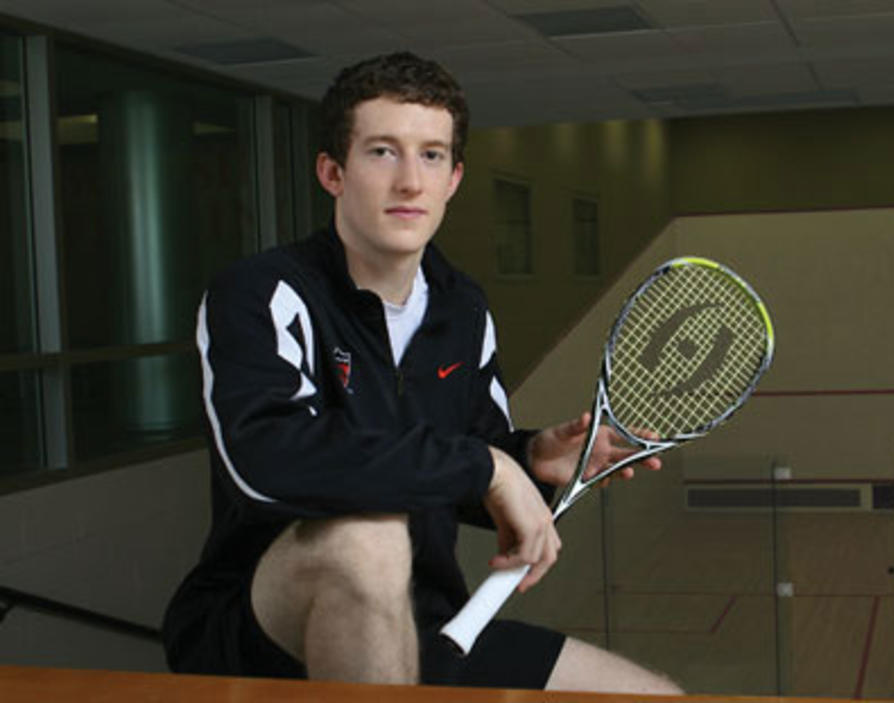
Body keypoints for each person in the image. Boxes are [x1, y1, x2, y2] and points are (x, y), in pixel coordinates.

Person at [162, 51, 682, 695]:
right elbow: (266, 463)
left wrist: (530, 458)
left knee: (657, 696)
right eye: (383, 152)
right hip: (260, 630)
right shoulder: (262, 291)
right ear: (333, 172)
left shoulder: (462, 305)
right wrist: (488, 469)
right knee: (367, 539)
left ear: (454, 178)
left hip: (428, 624)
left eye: (431, 156)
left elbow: (466, 469)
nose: (410, 181)